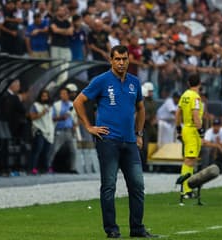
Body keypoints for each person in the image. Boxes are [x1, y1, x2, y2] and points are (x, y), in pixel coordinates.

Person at [73, 45, 157, 238]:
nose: (121, 62)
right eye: (117, 59)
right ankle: (111, 230)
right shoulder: (101, 80)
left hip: (130, 142)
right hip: (108, 140)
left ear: (128, 60)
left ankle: (137, 229)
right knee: (109, 185)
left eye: (124, 59)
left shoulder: (134, 82)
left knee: (137, 185)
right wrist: (89, 127)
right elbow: (78, 101)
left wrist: (139, 134)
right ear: (111, 60)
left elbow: (141, 108)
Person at [175, 73, 204, 198]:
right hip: (192, 130)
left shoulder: (185, 95)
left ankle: (188, 188)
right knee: (189, 160)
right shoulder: (196, 97)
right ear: (200, 84)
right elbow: (195, 114)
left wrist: (178, 128)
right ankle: (185, 189)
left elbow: (178, 113)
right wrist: (200, 131)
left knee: (190, 159)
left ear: (188, 83)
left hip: (185, 128)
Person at [47, 88, 77, 173]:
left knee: (73, 150)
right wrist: (61, 118)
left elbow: (74, 117)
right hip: (59, 130)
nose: (62, 95)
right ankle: (48, 166)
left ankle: (73, 168)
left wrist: (75, 126)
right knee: (54, 149)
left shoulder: (72, 105)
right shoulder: (56, 105)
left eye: (64, 94)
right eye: (61, 94)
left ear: (68, 95)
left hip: (69, 131)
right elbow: (51, 118)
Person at [28, 90, 54, 175]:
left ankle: (44, 168)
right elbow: (32, 117)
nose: (45, 98)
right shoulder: (35, 105)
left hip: (48, 131)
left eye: (46, 96)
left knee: (46, 151)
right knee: (38, 149)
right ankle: (33, 168)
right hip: (39, 129)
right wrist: (41, 113)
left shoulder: (50, 107)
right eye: (43, 96)